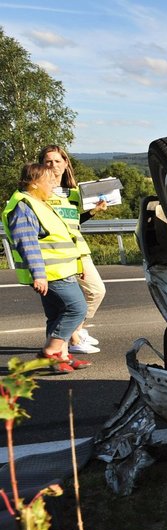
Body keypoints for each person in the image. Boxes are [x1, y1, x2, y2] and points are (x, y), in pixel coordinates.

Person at [1, 164, 91, 373]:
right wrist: (39, 275)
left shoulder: (38, 202)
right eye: (49, 181)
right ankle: (50, 351)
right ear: (33, 183)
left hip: (61, 269)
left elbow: (58, 239)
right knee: (77, 309)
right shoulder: (24, 206)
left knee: (57, 314)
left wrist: (77, 264)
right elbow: (27, 244)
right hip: (52, 273)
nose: (53, 184)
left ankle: (62, 358)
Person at [38, 145, 106, 354]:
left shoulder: (74, 193)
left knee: (96, 291)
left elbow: (72, 222)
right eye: (48, 161)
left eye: (58, 161)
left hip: (78, 250)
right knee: (65, 303)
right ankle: (71, 340)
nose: (53, 165)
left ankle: (75, 332)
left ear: (66, 163)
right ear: (41, 165)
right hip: (54, 253)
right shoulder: (39, 193)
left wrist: (93, 212)